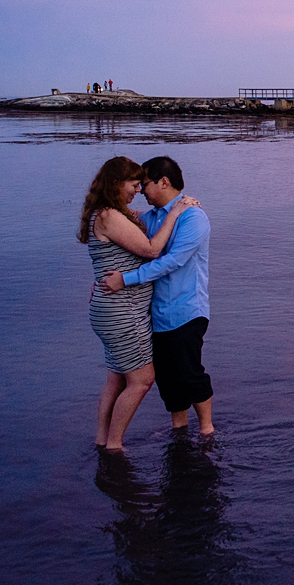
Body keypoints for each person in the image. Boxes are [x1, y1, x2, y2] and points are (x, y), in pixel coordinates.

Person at [80, 157, 197, 450]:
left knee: (117, 380)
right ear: (117, 184)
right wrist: (177, 210)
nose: (137, 191)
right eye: (134, 185)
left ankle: (102, 441)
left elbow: (135, 227)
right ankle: (115, 446)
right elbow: (151, 249)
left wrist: (163, 209)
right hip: (123, 312)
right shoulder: (109, 216)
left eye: (140, 185)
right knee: (142, 380)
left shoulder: (107, 214)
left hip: (111, 309)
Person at [102, 156, 214, 435]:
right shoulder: (150, 218)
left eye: (145, 184)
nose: (140, 190)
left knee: (190, 374)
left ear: (164, 182)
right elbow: (123, 224)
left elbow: (172, 261)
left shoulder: (193, 217)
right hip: (156, 315)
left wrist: (124, 281)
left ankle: (207, 431)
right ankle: (179, 432)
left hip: (187, 311)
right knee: (167, 379)